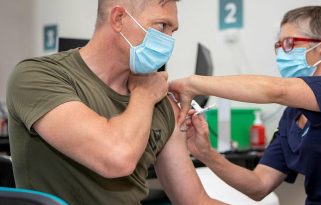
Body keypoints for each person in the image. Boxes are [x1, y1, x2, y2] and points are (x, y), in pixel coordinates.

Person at [6, 0, 225, 204]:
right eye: (161, 26)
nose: (169, 40)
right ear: (119, 19)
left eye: (173, 31)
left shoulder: (162, 105)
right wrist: (144, 94)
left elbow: (195, 200)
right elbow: (116, 158)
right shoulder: (37, 76)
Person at [169, 6, 321, 204]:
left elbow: (276, 90)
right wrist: (206, 152)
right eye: (279, 45)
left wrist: (193, 83)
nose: (282, 53)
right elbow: (258, 185)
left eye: (289, 44)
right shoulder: (292, 117)